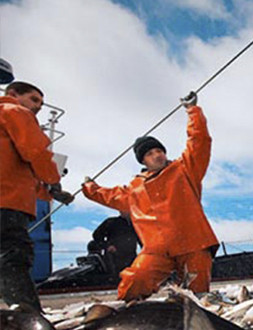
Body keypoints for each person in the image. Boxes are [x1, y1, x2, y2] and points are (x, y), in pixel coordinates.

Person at [82, 91, 219, 301]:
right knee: (135, 280)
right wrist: (89, 187)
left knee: (197, 296)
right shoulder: (134, 188)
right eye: (149, 153)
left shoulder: (185, 169)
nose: (157, 155)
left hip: (194, 245)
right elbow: (109, 196)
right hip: (157, 250)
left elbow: (199, 141)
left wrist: (193, 111)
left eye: (159, 151)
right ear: (143, 161)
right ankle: (125, 312)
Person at [0, 81, 74, 312]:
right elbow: (36, 152)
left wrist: (49, 192)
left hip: (8, 195)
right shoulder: (14, 111)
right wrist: (54, 180)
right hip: (7, 204)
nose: (37, 107)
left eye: (40, 104)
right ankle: (29, 320)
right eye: (34, 99)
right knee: (13, 256)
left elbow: (16, 169)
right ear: (13, 94)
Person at [87, 211, 140, 279]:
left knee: (132, 278)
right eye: (122, 209)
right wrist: (107, 246)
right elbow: (96, 235)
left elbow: (142, 241)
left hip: (131, 258)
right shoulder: (111, 222)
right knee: (116, 279)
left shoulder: (136, 225)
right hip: (113, 258)